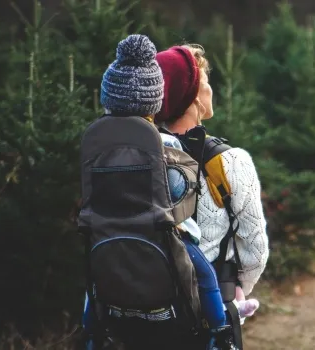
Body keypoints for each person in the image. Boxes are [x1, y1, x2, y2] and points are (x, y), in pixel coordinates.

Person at [79, 34, 246, 349]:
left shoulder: (96, 141)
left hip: (104, 232)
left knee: (94, 284)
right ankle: (221, 332)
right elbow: (180, 190)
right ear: (153, 101)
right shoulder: (162, 143)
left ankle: (89, 334)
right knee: (205, 274)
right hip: (160, 232)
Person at [155, 43, 268, 335]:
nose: (210, 90)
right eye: (205, 83)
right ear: (193, 97)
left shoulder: (141, 156)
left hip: (149, 306)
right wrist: (238, 290)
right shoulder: (231, 162)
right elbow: (255, 249)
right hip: (211, 308)